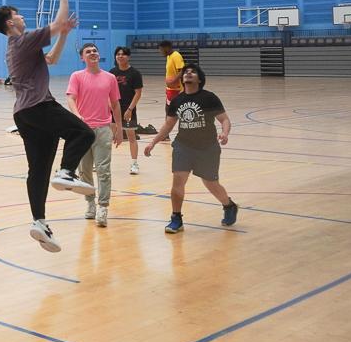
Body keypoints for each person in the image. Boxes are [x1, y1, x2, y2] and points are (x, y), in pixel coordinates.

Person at [0, 0, 95, 254]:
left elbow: (53, 59)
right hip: (39, 106)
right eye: (20, 15)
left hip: (24, 114)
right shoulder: (23, 40)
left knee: (37, 171)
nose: (24, 17)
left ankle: (39, 221)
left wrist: (64, 35)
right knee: (83, 133)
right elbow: (58, 22)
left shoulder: (16, 47)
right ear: (11, 22)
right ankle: (67, 172)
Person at [144, 63, 239, 233]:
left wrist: (225, 133)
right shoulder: (177, 100)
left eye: (192, 72)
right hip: (183, 146)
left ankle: (229, 205)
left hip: (207, 147)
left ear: (199, 79)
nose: (188, 73)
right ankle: (176, 218)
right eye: (186, 72)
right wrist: (153, 142)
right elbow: (169, 124)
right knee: (178, 180)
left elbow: (224, 120)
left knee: (211, 183)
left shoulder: (209, 98)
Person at [65, 43, 122, 228]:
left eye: (95, 50)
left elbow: (115, 104)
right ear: (82, 57)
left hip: (103, 129)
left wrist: (119, 128)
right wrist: (77, 116)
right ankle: (90, 203)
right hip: (83, 131)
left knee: (104, 170)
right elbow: (70, 98)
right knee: (85, 171)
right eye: (88, 52)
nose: (92, 53)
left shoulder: (110, 78)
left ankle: (103, 207)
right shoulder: (77, 76)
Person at [110, 46, 145, 175]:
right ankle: (102, 162)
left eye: (123, 54)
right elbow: (108, 91)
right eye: (118, 54)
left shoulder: (134, 73)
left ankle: (134, 163)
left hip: (128, 110)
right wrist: (110, 106)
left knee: (131, 137)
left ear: (128, 57)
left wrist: (130, 109)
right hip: (114, 109)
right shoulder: (112, 72)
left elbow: (138, 93)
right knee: (108, 137)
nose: (120, 56)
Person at [160, 40, 186, 119]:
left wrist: (174, 81)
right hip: (171, 89)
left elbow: (182, 71)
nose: (161, 52)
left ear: (167, 48)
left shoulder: (176, 56)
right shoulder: (169, 56)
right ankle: (167, 128)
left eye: (161, 50)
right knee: (168, 110)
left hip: (177, 89)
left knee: (174, 111)